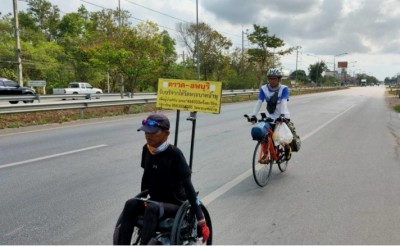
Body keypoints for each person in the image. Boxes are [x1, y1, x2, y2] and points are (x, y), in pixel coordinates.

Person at [114, 113, 210, 245]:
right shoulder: (146, 150)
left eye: (153, 133)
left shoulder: (175, 154)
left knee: (152, 209)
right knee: (130, 203)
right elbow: (146, 176)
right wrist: (141, 198)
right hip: (155, 200)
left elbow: (188, 186)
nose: (148, 135)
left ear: (166, 134)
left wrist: (201, 218)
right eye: (146, 132)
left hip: (175, 203)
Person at [250, 68, 292, 159]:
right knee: (265, 135)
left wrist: (282, 115)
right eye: (270, 78)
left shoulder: (284, 89)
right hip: (271, 116)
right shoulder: (264, 89)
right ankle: (266, 154)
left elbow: (284, 102)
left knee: (281, 136)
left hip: (283, 115)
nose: (272, 81)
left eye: (274, 79)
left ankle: (287, 147)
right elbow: (259, 102)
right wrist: (253, 115)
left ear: (279, 79)